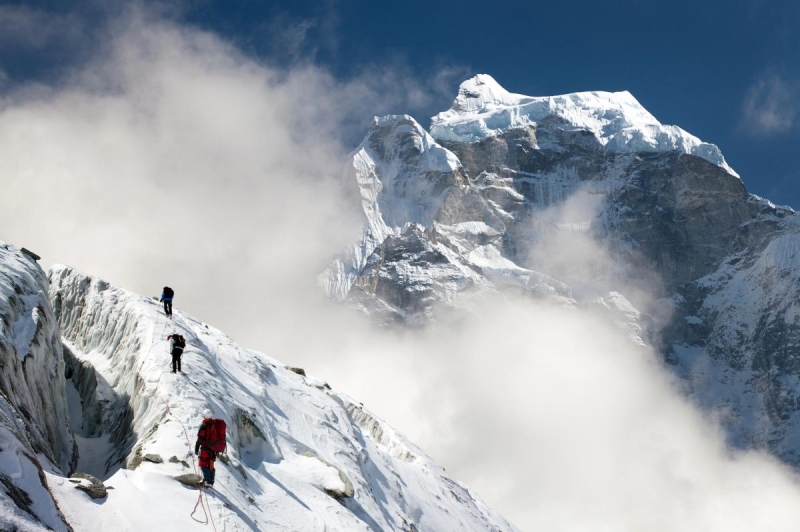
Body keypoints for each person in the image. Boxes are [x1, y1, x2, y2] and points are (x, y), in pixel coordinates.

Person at [195, 409, 217, 487]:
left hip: (205, 448)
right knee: (210, 464)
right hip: (213, 449)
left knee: (203, 464)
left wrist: (196, 447)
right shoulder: (214, 425)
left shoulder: (204, 425)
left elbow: (200, 438)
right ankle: (211, 481)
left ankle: (207, 481)